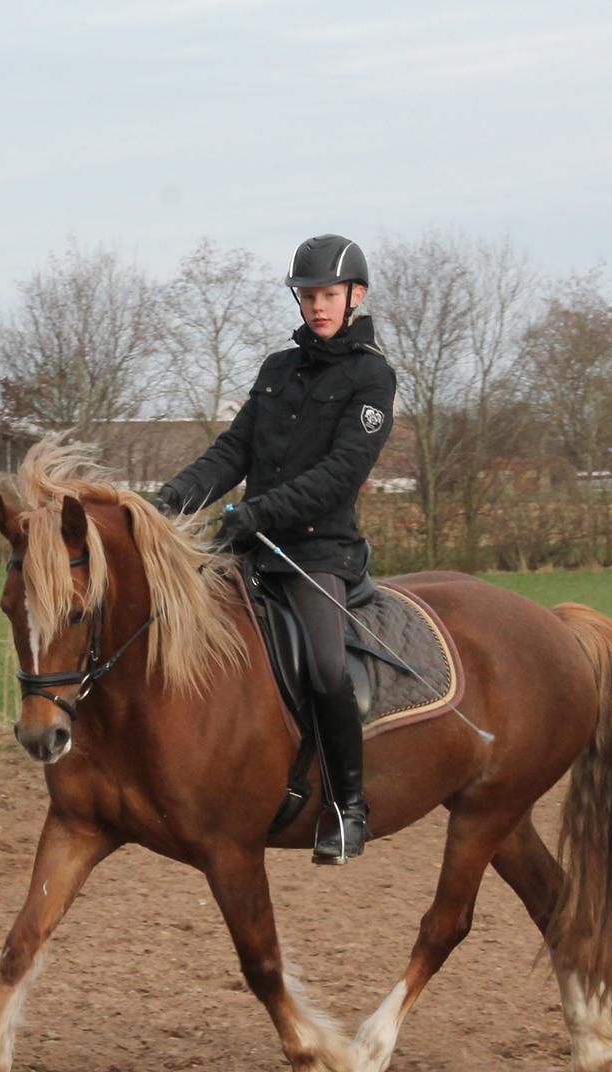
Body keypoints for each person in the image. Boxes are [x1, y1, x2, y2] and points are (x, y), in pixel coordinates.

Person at [152, 234, 396, 864]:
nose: (317, 306)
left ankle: (347, 808)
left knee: (324, 666)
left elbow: (340, 474)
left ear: (355, 297)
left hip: (318, 556)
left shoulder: (372, 377)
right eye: (308, 295)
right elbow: (233, 452)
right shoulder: (276, 370)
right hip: (251, 550)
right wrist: (167, 501)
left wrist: (255, 512)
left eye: (329, 295)